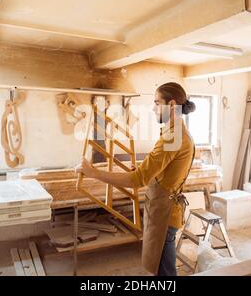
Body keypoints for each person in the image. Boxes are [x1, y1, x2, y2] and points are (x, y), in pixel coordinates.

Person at [75, 82, 196, 276]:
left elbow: (137, 180)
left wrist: (93, 173)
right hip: (164, 210)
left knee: (164, 272)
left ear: (172, 105)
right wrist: (143, 169)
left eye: (157, 103)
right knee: (161, 267)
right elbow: (162, 169)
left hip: (164, 214)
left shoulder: (173, 137)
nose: (154, 108)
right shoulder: (174, 132)